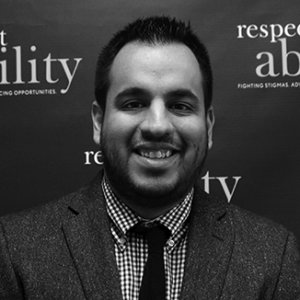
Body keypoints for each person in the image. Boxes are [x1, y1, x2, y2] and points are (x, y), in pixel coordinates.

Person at [0, 16, 299, 300]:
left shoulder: (274, 257)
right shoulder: (14, 250)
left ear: (208, 127)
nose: (157, 125)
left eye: (180, 106)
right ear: (97, 122)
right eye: (133, 103)